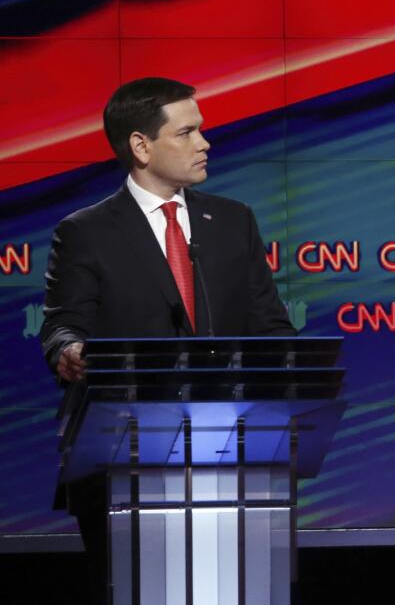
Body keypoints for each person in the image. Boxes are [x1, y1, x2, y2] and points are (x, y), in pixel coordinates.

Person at [40, 77, 295, 603]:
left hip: (230, 452)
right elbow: (64, 324)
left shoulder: (230, 220)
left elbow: (270, 327)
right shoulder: (85, 231)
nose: (205, 143)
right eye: (188, 132)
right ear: (141, 145)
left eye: (201, 131)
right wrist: (69, 352)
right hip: (124, 455)